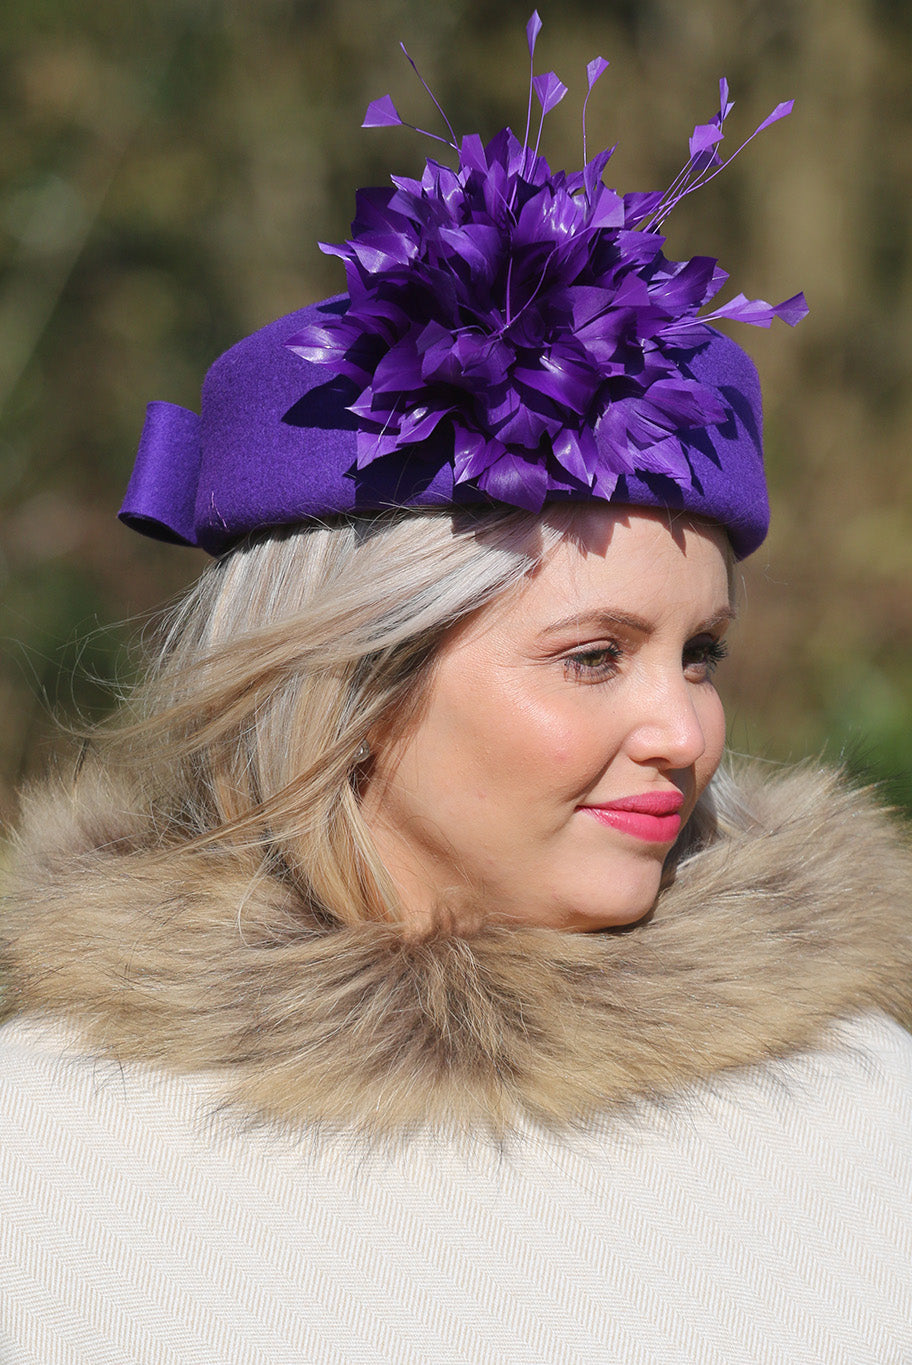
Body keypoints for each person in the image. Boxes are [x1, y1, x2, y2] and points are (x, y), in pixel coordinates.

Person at [1, 18, 910, 1364]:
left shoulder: (858, 1111)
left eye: (700, 652)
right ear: (351, 685)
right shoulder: (51, 1152)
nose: (685, 731)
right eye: (593, 655)